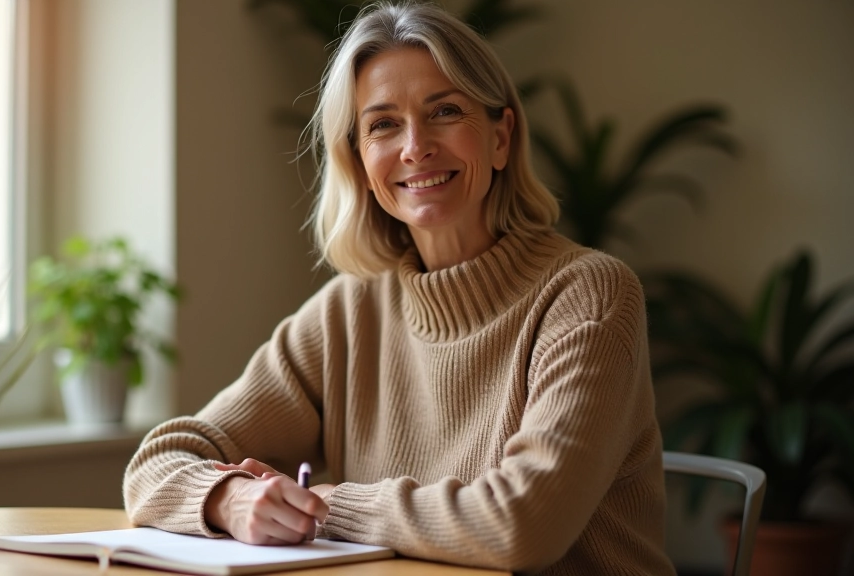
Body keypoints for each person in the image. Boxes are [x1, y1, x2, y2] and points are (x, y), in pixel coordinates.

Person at [124, 2, 676, 574]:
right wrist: (230, 498)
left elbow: (521, 526)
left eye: (445, 111)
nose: (415, 146)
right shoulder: (347, 312)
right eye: (383, 123)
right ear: (360, 161)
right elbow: (155, 465)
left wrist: (324, 506)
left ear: (501, 136)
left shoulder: (588, 296)